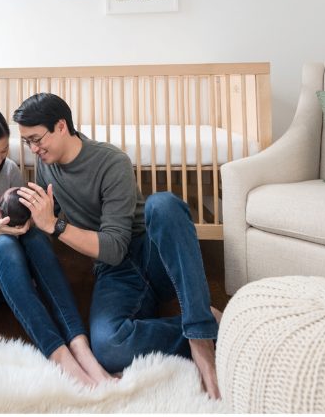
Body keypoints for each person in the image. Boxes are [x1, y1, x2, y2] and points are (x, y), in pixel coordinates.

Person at [12, 93, 222, 400]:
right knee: (110, 347)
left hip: (149, 253)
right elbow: (104, 255)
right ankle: (207, 321)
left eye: (36, 139)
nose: (33, 149)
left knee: (163, 204)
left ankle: (201, 338)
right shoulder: (47, 167)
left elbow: (113, 246)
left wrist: (54, 226)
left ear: (60, 126)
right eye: (26, 142)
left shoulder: (111, 161)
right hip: (114, 271)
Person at [0, 107, 112, 386]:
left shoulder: (9, 170)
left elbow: (24, 223)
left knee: (35, 238)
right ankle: (59, 356)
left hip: (5, 277)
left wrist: (35, 220)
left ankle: (80, 345)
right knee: (2, 243)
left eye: (3, 152)